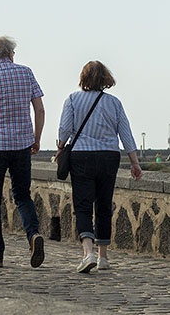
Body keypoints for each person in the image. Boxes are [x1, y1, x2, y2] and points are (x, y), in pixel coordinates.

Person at [57, 61, 142, 273]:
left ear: (83, 78)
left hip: (82, 156)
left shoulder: (73, 99)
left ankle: (88, 253)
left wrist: (60, 146)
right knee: (104, 204)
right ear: (106, 78)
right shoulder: (114, 102)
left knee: (83, 205)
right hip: (109, 157)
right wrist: (134, 162)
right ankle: (103, 256)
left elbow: (65, 129)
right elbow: (126, 134)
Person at [0, 36, 46, 268]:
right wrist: (36, 139)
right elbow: (39, 109)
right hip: (21, 144)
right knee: (22, 195)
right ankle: (33, 234)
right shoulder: (26, 73)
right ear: (11, 54)